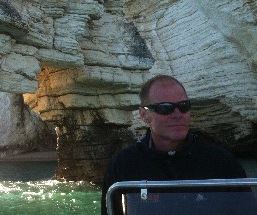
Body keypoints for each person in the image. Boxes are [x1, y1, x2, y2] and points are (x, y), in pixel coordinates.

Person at [100, 74, 250, 215]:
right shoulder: (124, 164)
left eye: (183, 106)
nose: (177, 114)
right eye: (165, 108)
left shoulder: (221, 162)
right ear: (144, 115)